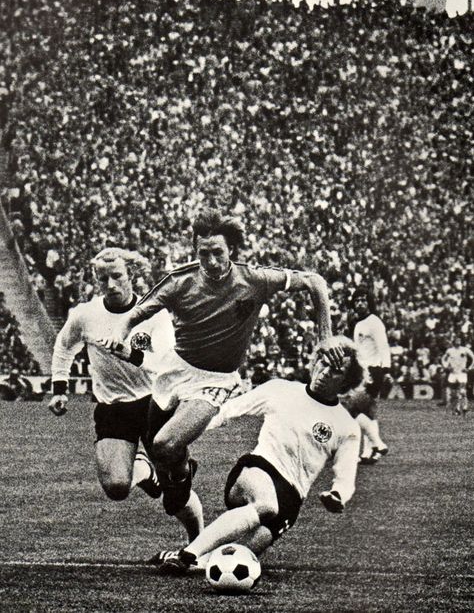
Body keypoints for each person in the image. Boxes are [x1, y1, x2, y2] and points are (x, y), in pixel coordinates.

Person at [98, 209, 343, 522]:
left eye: (218, 253)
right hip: (174, 370)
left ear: (232, 252)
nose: (211, 261)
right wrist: (120, 337)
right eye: (204, 253)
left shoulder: (256, 279)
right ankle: (184, 469)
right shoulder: (179, 282)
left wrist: (325, 338)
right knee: (161, 452)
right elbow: (134, 315)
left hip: (215, 380)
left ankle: (181, 471)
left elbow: (315, 282)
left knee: (165, 442)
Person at [155, 336, 365, 574]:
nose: (325, 372)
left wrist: (338, 495)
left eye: (336, 371)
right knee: (266, 505)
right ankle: (186, 555)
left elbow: (345, 476)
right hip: (257, 469)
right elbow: (227, 411)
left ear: (347, 381)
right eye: (323, 362)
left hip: (292, 499)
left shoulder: (346, 426)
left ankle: (186, 557)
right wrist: (181, 435)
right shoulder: (280, 389)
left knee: (229, 559)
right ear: (315, 360)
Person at [48, 247, 203, 542]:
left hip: (154, 403)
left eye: (117, 276)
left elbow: (168, 362)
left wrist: (130, 354)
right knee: (117, 487)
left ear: (131, 275)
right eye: (103, 278)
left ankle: (197, 546)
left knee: (175, 499)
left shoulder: (153, 315)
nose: (110, 284)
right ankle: (145, 470)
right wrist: (59, 388)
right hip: (113, 406)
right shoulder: (85, 315)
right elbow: (64, 345)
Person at [343, 286, 391, 465]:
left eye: (363, 300)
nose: (360, 303)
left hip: (372, 371)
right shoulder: (358, 323)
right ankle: (369, 452)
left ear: (369, 302)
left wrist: (386, 370)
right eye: (357, 300)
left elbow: (383, 346)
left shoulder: (374, 322)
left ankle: (378, 444)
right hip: (361, 371)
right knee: (368, 412)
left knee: (351, 409)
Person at [441, 338, 474, 415]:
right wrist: (446, 366)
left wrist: (469, 368)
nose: (458, 341)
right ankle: (457, 408)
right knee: (454, 392)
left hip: (462, 373)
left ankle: (464, 407)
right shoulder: (450, 350)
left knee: (462, 390)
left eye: (459, 340)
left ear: (461, 342)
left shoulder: (465, 350)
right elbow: (443, 359)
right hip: (453, 373)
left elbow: (473, 358)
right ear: (453, 342)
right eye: (456, 340)